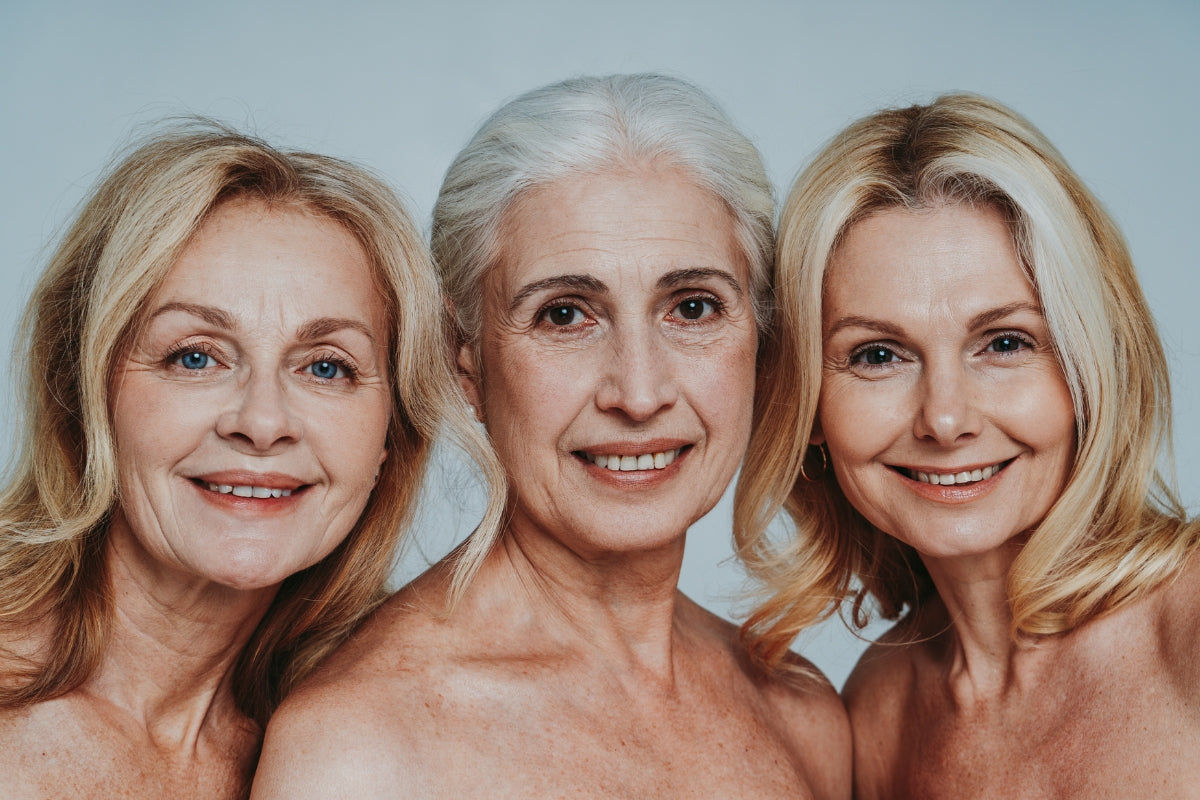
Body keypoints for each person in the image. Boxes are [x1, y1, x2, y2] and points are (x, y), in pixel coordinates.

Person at [253, 73, 850, 799]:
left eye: (692, 307)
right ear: (463, 360)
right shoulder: (359, 747)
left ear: (762, 340)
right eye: (564, 316)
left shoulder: (803, 714)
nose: (638, 393)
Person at [736, 93, 1200, 798]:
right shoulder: (879, 713)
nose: (945, 420)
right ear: (808, 409)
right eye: (877, 356)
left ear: (1088, 368)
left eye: (1005, 342)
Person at [0, 120, 478, 798]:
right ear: (84, 393)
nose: (261, 423)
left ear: (389, 439)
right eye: (194, 356)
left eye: (325, 367)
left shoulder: (364, 745)